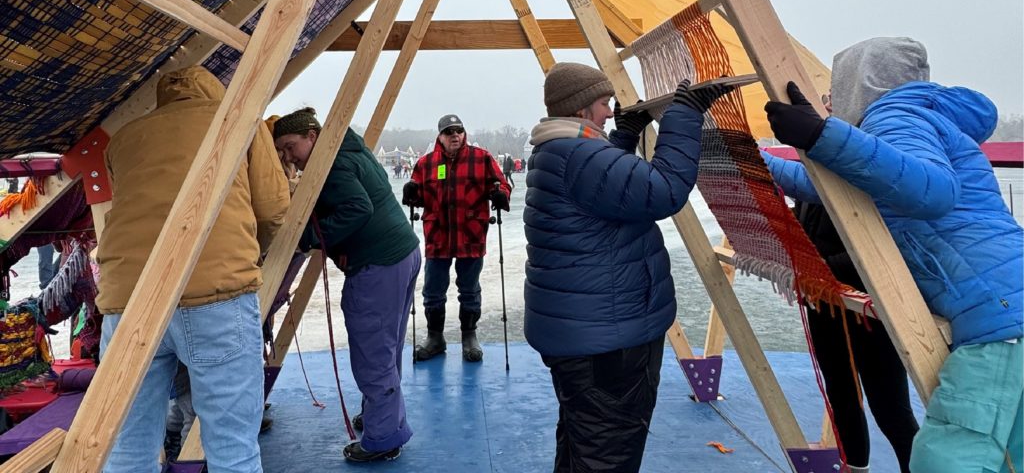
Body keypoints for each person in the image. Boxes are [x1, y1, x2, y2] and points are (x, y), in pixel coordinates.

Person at [762, 38, 1023, 473]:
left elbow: (934, 191)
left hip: (998, 316)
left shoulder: (896, 115)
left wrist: (821, 135)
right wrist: (749, 158)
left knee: (946, 459)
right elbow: (831, 190)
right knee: (1011, 457)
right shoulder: (902, 126)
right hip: (1003, 305)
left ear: (859, 82)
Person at [524, 61, 739, 473]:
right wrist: (685, 114)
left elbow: (607, 189)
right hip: (609, 344)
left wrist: (623, 135)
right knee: (608, 453)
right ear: (582, 108)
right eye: (604, 104)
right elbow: (664, 190)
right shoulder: (580, 154)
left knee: (583, 444)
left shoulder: (557, 150)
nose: (608, 111)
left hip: (585, 336)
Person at [97, 65, 290, 473]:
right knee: (232, 448)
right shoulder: (239, 122)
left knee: (128, 447)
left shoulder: (125, 138)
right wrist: (248, 256)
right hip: (216, 295)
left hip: (128, 300)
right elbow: (273, 211)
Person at [780, 88, 918, 473]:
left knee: (890, 407)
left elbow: (879, 249)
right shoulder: (817, 160)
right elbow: (809, 222)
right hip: (824, 302)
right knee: (841, 395)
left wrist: (814, 268)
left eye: (833, 96)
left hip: (868, 309)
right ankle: (854, 467)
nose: (826, 103)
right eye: (824, 97)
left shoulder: (868, 160)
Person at [273, 108, 420, 464]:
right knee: (386, 348)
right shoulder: (349, 150)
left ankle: (383, 437)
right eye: (282, 153)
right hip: (402, 253)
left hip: (378, 263)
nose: (289, 157)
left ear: (312, 135)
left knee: (373, 352)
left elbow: (357, 207)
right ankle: (382, 416)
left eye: (291, 147)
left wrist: (308, 236)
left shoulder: (333, 163)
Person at [402, 114, 510, 363]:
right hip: (438, 237)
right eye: (449, 132)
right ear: (439, 136)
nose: (455, 136)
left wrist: (500, 193)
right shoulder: (425, 163)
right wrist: (411, 193)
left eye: (458, 131)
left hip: (470, 236)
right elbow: (417, 198)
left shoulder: (481, 158)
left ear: (464, 133)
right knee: (432, 292)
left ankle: (469, 337)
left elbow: (502, 184)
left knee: (470, 291)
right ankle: (435, 338)